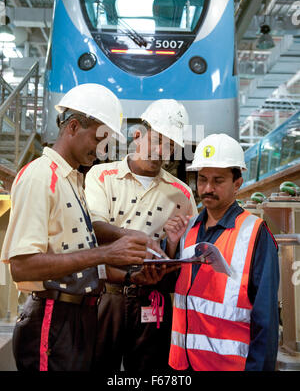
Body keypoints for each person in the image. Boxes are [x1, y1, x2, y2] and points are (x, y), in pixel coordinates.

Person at [0, 83, 149, 372]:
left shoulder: (73, 179)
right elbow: (21, 266)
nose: (102, 150)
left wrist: (127, 258)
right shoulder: (40, 177)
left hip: (76, 319)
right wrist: (105, 254)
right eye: (98, 138)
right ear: (72, 126)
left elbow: (73, 249)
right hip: (51, 319)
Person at [84, 99, 198, 373]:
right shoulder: (101, 176)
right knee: (97, 364)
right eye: (157, 141)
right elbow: (93, 228)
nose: (162, 152)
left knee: (151, 371)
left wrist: (172, 242)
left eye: (171, 146)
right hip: (107, 296)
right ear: (138, 135)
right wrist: (139, 238)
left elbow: (184, 253)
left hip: (154, 299)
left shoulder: (181, 193)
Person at [165, 133, 279, 371]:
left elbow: (266, 319)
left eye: (218, 180)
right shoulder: (188, 230)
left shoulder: (255, 234)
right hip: (183, 364)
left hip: (227, 366)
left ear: (237, 183)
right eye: (202, 179)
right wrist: (171, 246)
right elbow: (173, 288)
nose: (207, 188)